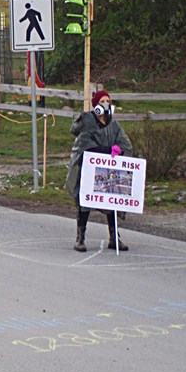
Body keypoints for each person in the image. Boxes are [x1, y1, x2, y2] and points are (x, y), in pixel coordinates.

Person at [64, 90, 134, 252]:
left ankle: (114, 238)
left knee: (111, 200)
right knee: (85, 203)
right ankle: (80, 238)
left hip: (107, 171)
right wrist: (107, 150)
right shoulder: (87, 122)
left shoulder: (113, 124)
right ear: (96, 104)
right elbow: (85, 145)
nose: (106, 104)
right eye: (102, 101)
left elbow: (125, 145)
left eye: (108, 101)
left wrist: (118, 151)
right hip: (88, 170)